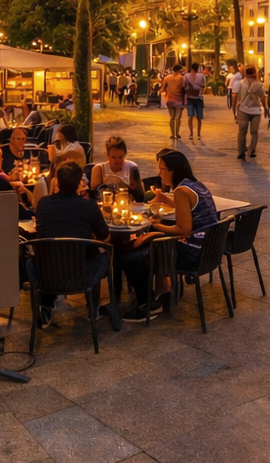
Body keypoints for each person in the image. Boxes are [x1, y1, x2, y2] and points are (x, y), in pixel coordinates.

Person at [119, 149, 219, 322]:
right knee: (147, 244)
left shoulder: (181, 190)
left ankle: (147, 304)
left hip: (192, 254)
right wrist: (165, 200)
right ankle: (155, 296)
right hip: (209, 251)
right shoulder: (196, 186)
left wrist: (155, 224)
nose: (159, 174)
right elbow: (187, 209)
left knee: (131, 257)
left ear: (173, 170)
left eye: (162, 169)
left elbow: (184, 229)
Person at [28, 163, 111, 328]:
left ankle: (46, 305)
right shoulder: (88, 205)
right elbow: (106, 238)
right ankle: (93, 308)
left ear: (57, 182)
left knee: (49, 254)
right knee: (100, 254)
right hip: (81, 274)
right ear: (80, 182)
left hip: (47, 274)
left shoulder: (43, 204)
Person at [91, 136, 145, 201]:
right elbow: (94, 196)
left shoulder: (131, 167)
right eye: (113, 157)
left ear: (125, 155)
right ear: (108, 155)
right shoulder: (99, 169)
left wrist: (129, 188)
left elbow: (140, 197)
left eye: (120, 157)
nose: (117, 161)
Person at [233, 65, 268, 160]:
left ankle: (241, 151)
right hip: (256, 111)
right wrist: (266, 109)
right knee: (254, 132)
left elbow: (234, 98)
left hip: (242, 110)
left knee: (242, 131)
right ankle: (252, 149)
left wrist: (234, 111)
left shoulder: (239, 83)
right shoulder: (259, 84)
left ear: (245, 73)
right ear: (254, 73)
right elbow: (263, 98)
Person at [161, 64, 186, 141]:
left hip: (170, 99)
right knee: (177, 117)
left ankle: (172, 134)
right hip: (179, 99)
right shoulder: (182, 78)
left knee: (172, 117)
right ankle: (177, 133)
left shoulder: (167, 78)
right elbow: (185, 89)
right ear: (179, 70)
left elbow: (162, 89)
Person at [183, 63, 207, 140]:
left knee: (190, 116)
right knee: (199, 117)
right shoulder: (201, 76)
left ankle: (191, 134)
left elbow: (184, 86)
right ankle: (199, 134)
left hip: (189, 98)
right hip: (199, 98)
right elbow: (203, 86)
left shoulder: (186, 76)